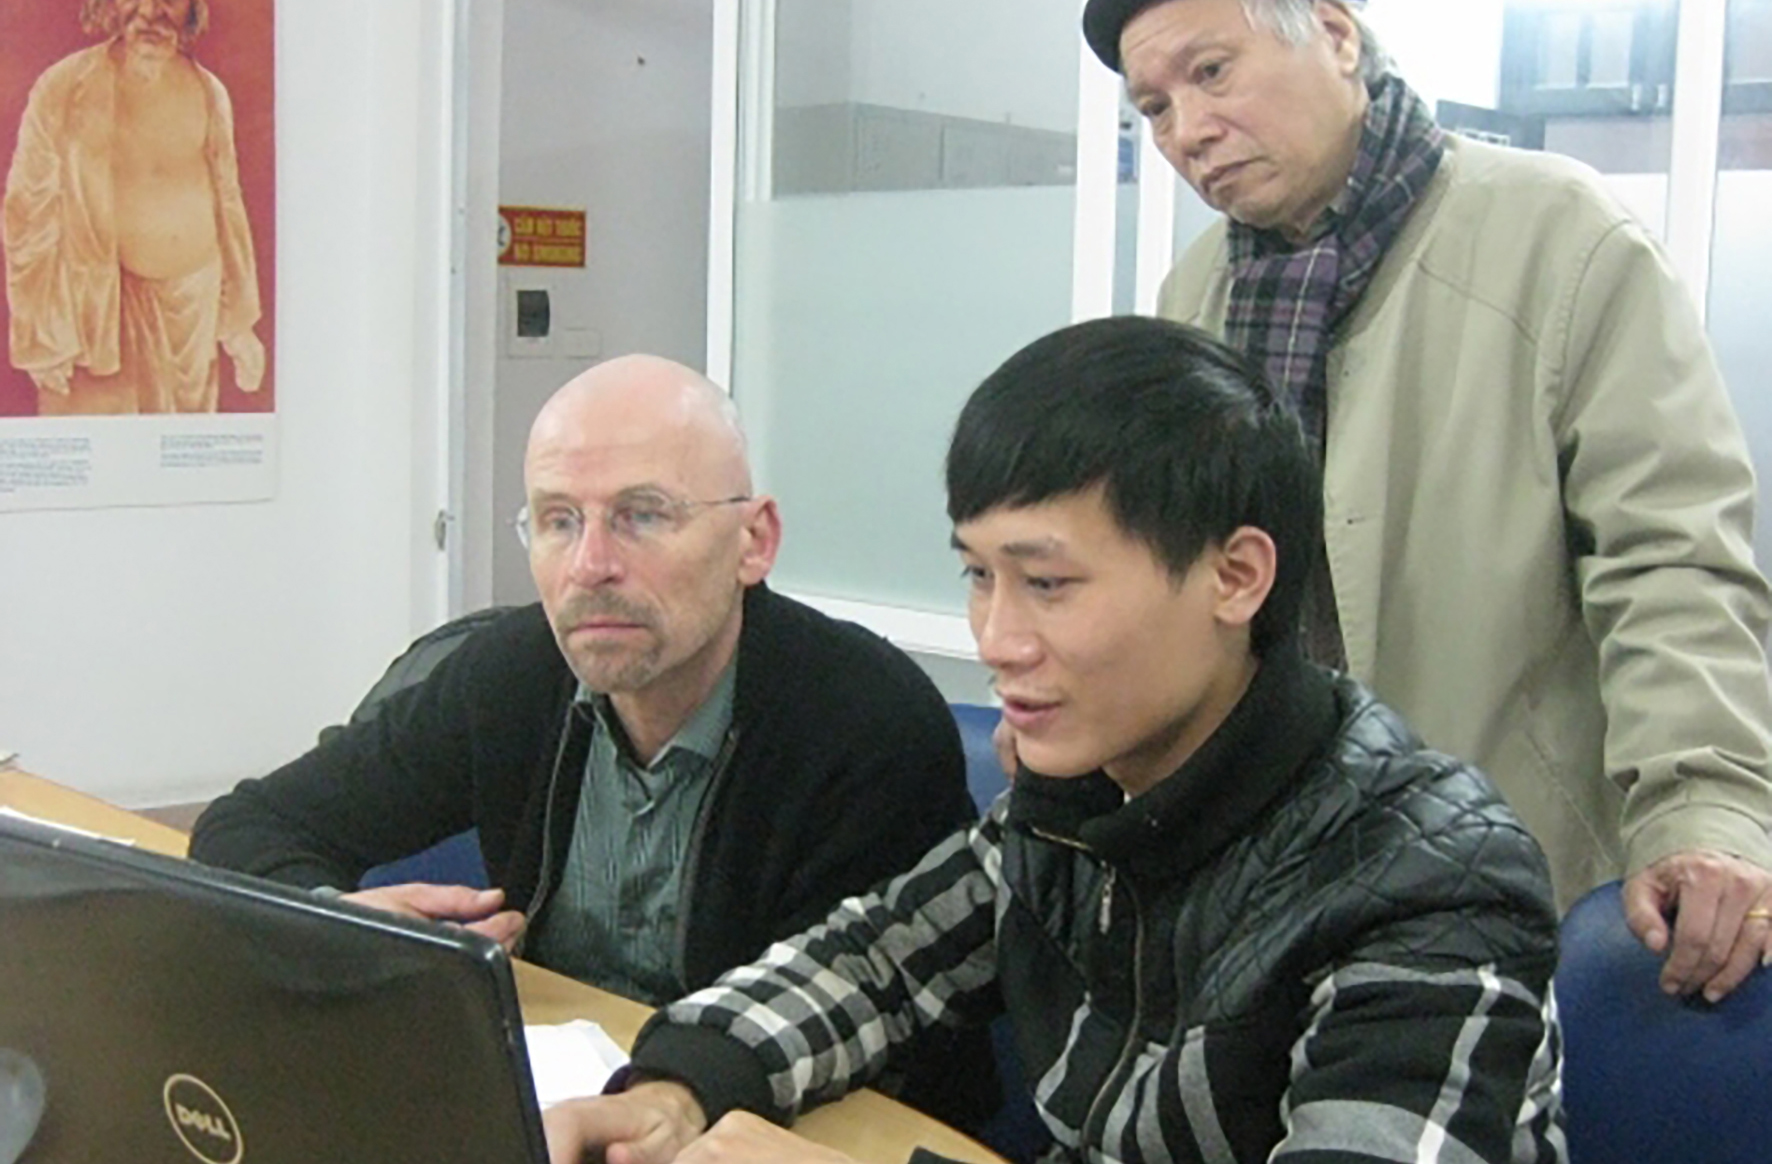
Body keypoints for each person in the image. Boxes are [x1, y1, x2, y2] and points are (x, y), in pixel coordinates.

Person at [542, 318, 1565, 1164]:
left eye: (1046, 583)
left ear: (1236, 577)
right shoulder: (1083, 798)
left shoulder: (1428, 880)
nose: (997, 639)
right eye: (978, 576)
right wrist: (679, 1088)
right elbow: (877, 961)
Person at [1080, 0, 1772, 1002]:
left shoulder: (1557, 236)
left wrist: (1704, 808)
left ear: (1335, 34)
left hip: (1506, 866)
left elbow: (1669, 559)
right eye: (1153, 107)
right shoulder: (1198, 294)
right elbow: (1185, 579)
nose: (1187, 130)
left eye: (1212, 72)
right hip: (1268, 876)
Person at [189, 354, 993, 1124]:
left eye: (642, 515)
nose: (590, 565)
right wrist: (340, 925)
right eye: (558, 520)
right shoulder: (511, 675)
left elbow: (873, 1037)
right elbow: (250, 824)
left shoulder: (864, 723)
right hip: (552, 1099)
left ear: (754, 541)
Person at [3, 0, 265, 415]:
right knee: (100, 450)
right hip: (98, 322)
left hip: (192, 327)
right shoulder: (63, 88)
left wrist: (238, 325)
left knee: (179, 452)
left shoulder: (210, 92)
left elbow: (227, 204)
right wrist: (42, 338)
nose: (149, 12)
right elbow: (26, 214)